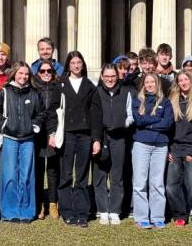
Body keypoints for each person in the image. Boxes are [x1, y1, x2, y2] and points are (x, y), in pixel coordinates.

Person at [0, 61, 46, 223]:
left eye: (26, 74)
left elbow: (41, 113)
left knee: (27, 175)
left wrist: (34, 126)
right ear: (14, 74)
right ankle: (10, 212)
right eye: (20, 73)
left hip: (28, 140)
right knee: (9, 175)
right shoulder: (4, 92)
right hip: (9, 139)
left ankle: (27, 211)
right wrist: (5, 124)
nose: (23, 76)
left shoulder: (34, 93)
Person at [57, 51, 100, 227]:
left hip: (85, 135)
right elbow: (54, 110)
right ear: (68, 65)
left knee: (82, 175)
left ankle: (82, 213)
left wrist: (96, 139)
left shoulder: (90, 86)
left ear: (83, 65)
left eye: (79, 62)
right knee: (66, 174)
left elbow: (96, 114)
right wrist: (52, 133)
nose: (76, 65)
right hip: (66, 134)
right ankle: (67, 211)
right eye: (73, 62)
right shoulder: (60, 85)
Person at [166, 70, 192, 230]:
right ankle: (180, 214)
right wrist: (168, 150)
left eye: (186, 79)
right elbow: (168, 128)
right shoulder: (172, 102)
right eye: (180, 80)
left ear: (191, 81)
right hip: (175, 149)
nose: (183, 83)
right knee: (171, 186)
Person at [131, 72, 174, 230]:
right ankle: (142, 217)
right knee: (140, 182)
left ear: (157, 84)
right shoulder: (137, 101)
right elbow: (138, 120)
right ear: (143, 84)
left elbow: (168, 123)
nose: (149, 85)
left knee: (157, 183)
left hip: (160, 146)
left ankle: (157, 217)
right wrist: (157, 119)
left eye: (152, 82)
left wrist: (148, 123)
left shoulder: (166, 102)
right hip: (141, 144)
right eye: (147, 82)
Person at [91, 63, 132, 225]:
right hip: (101, 137)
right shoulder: (97, 92)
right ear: (102, 77)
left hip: (119, 137)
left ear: (117, 76)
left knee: (117, 175)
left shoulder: (126, 92)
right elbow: (93, 116)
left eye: (113, 76)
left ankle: (115, 210)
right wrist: (96, 139)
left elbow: (130, 115)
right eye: (106, 76)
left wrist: (122, 124)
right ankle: (103, 210)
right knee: (100, 174)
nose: (110, 79)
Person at [32, 61, 62, 220]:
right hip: (36, 134)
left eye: (49, 70)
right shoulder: (33, 87)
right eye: (42, 71)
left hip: (53, 132)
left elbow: (57, 112)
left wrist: (53, 132)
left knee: (52, 170)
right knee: (37, 170)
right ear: (38, 73)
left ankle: (52, 203)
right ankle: (38, 204)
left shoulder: (58, 87)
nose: (46, 73)